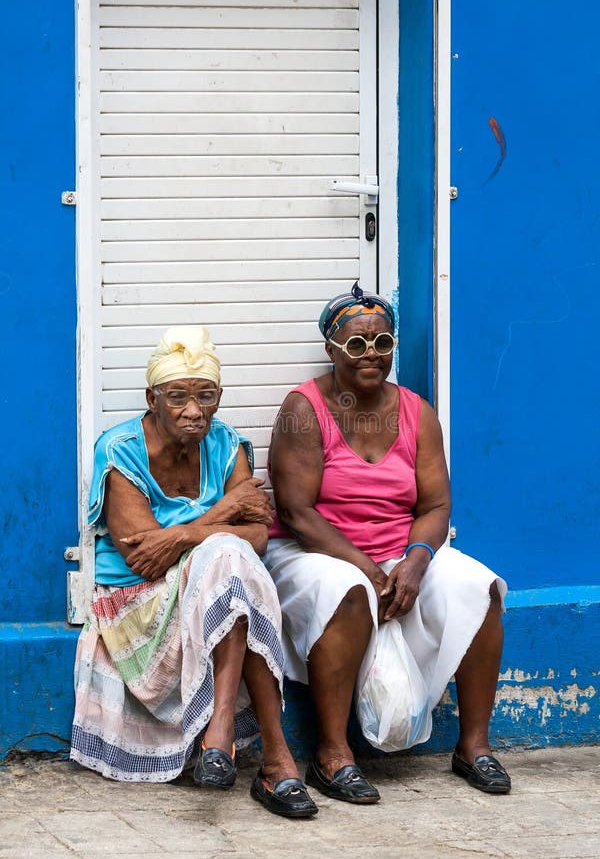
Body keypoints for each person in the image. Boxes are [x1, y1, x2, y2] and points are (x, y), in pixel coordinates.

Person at [265, 282, 511, 804]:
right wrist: (369, 570)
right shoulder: (302, 409)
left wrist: (417, 561)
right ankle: (332, 756)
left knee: (480, 588)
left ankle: (474, 746)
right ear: (332, 349)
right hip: (315, 552)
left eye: (382, 343)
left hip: (400, 551)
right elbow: (295, 511)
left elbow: (435, 507)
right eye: (356, 345)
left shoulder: (417, 413)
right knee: (348, 590)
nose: (371, 354)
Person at [71, 326, 318, 819]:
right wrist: (225, 508)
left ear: (219, 398)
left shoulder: (226, 444)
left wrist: (180, 535)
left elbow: (258, 538)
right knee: (227, 563)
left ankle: (223, 738)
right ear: (152, 398)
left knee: (230, 565)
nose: (193, 411)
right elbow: (142, 557)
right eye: (178, 397)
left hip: (213, 594)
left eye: (206, 397)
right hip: (138, 602)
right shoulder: (119, 449)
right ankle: (273, 757)